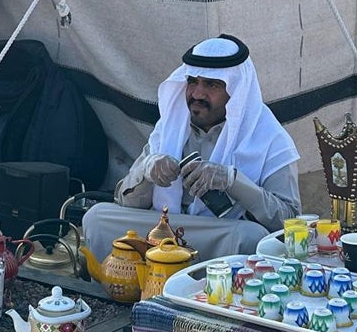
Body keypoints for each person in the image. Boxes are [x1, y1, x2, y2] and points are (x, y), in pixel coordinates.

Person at [82, 34, 301, 260]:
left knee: (251, 237)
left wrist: (233, 181)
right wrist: (146, 171)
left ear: (236, 91)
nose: (197, 94)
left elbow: (290, 222)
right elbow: (124, 201)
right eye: (192, 82)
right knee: (96, 217)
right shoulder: (170, 125)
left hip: (217, 233)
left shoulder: (270, 138)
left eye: (211, 84)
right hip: (162, 229)